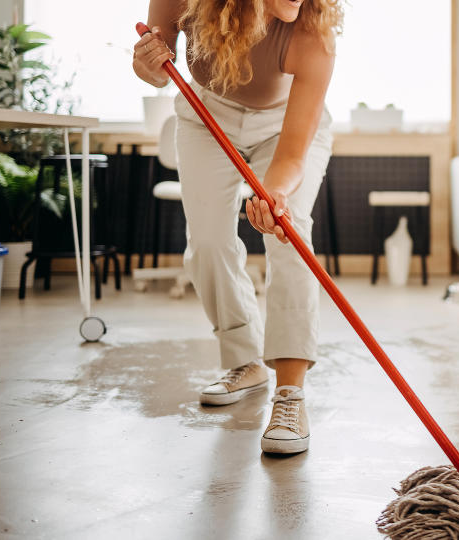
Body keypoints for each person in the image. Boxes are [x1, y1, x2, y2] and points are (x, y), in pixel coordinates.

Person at [132, 0, 343, 454]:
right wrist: (146, 63)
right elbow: (155, 67)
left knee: (290, 233)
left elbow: (289, 157)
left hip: (285, 124)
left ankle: (290, 392)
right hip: (206, 113)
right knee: (207, 242)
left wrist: (278, 195)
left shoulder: (312, 33)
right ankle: (244, 360)